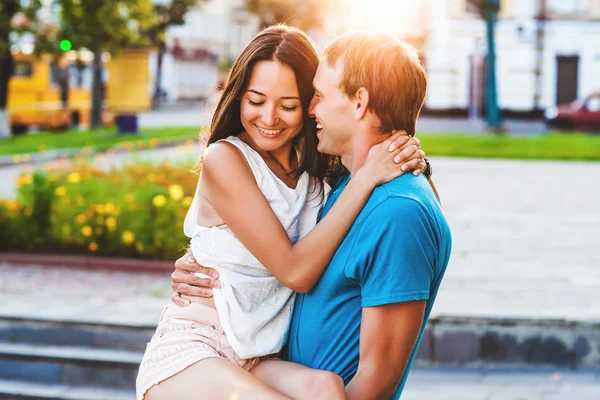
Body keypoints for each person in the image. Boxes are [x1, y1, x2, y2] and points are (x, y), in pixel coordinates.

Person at [136, 25, 428, 400]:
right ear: (238, 97)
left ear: (310, 104)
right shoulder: (225, 159)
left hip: (258, 356)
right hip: (195, 348)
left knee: (326, 389)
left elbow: (373, 142)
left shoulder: (319, 168)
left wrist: (405, 155)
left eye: (288, 105)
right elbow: (294, 272)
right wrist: (367, 177)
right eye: (255, 101)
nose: (269, 118)